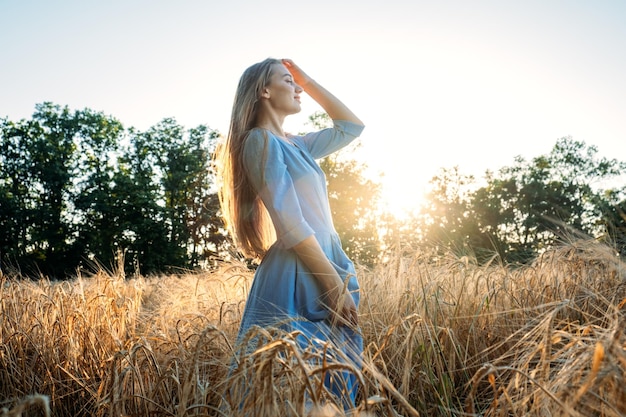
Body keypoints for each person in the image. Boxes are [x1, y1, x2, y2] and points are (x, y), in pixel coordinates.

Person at [215, 57, 365, 410]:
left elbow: (351, 127)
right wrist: (332, 284)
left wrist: (308, 80)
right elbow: (290, 222)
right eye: (288, 81)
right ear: (264, 91)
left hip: (323, 262)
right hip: (299, 271)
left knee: (330, 382)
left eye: (297, 82)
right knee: (286, 388)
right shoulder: (259, 141)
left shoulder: (298, 144)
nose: (297, 89)